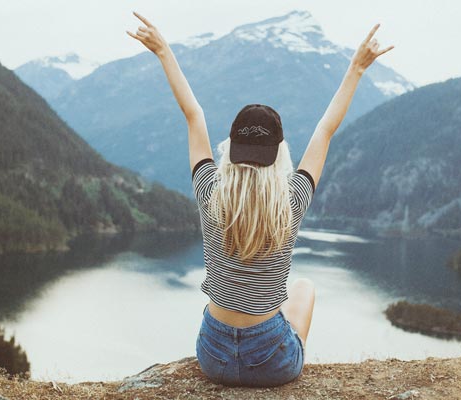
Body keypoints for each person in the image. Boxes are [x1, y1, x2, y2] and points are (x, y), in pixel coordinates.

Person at [127, 11, 393, 387]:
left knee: (259, 303)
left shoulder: (210, 191)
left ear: (231, 149)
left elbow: (193, 115)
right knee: (303, 289)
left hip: (213, 355)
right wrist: (356, 68)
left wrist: (164, 52)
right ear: (278, 153)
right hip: (273, 362)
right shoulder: (292, 200)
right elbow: (326, 129)